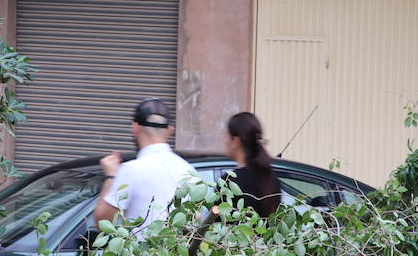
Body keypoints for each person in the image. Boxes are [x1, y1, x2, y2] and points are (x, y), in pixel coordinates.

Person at [93, 98, 200, 238]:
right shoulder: (189, 171)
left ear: (135, 127)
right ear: (170, 130)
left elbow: (102, 223)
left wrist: (110, 177)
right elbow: (197, 221)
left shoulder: (131, 170)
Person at [224, 111, 281, 218]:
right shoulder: (272, 179)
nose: (225, 141)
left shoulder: (228, 182)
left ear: (235, 141)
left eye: (226, 136)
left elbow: (216, 224)